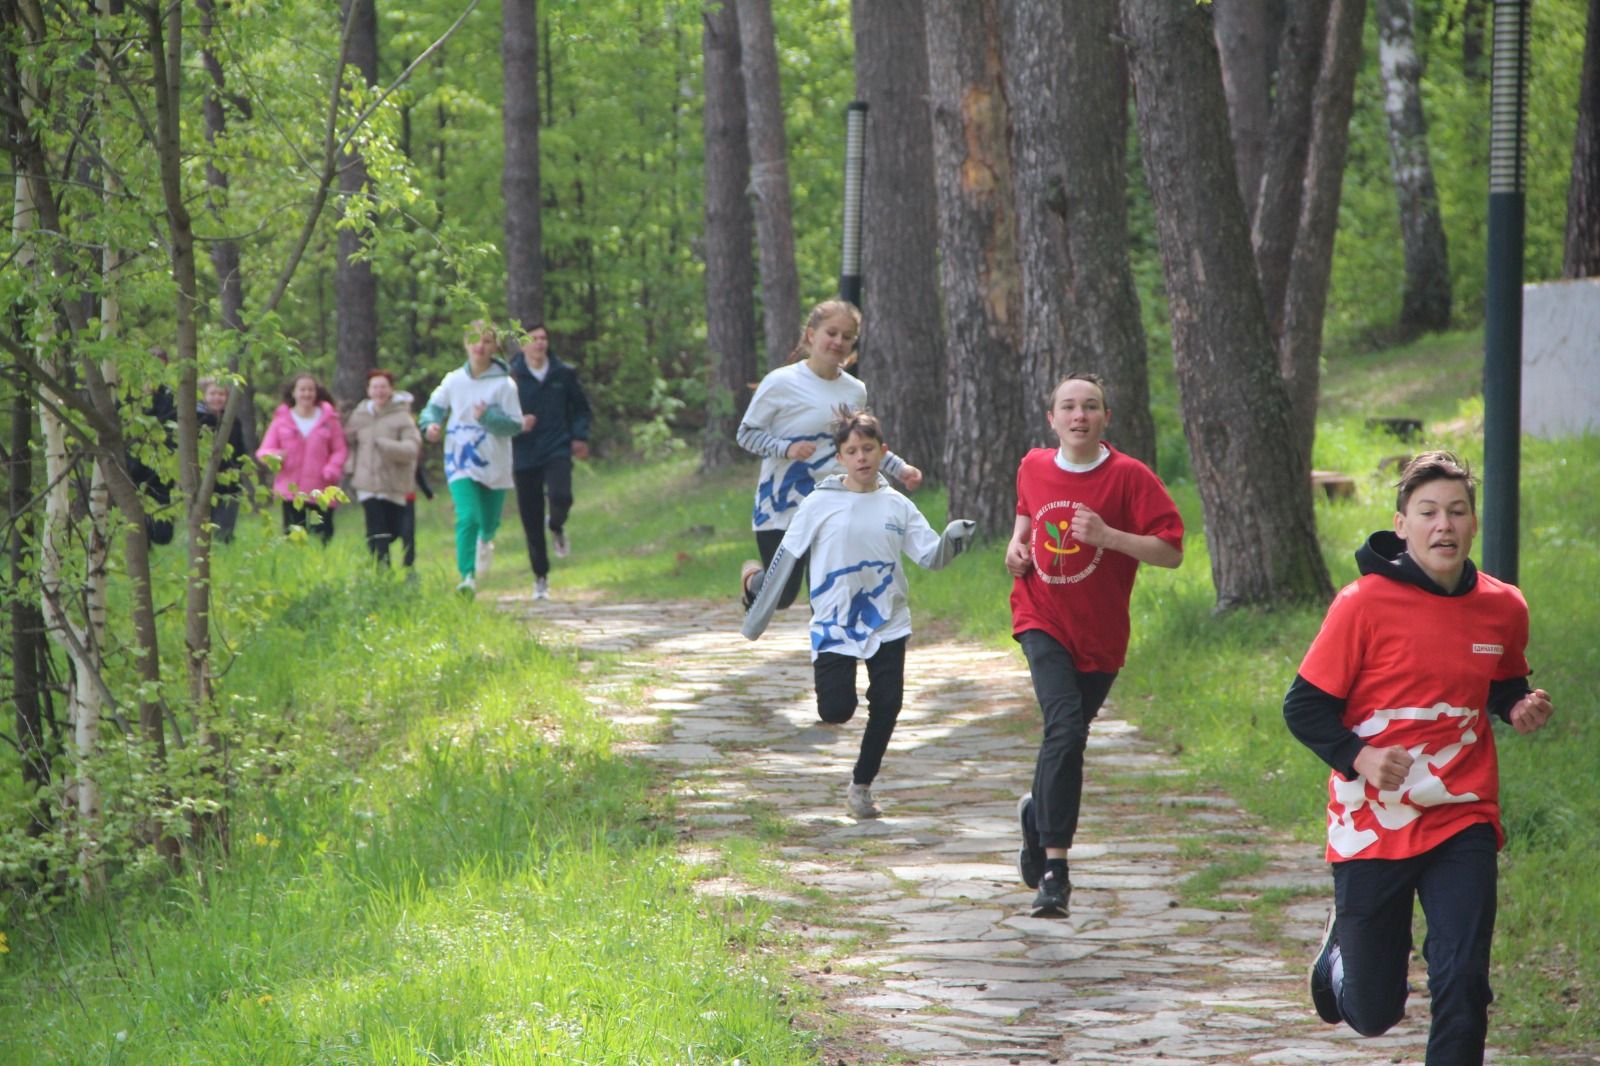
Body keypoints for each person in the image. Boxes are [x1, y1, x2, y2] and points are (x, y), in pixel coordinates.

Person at [1283, 451, 1554, 1065]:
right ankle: (1344, 955)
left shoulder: (1503, 606)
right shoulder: (1362, 604)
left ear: (1474, 524)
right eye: (1428, 512)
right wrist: (1359, 756)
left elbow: (1501, 680)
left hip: (1461, 811)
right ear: (1401, 525)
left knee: (1462, 974)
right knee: (1374, 1013)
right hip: (1372, 820)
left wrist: (1517, 706)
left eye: (1457, 512)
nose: (1444, 525)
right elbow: (1303, 708)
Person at [1007, 373, 1184, 918]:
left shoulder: (1129, 478)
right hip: (1041, 616)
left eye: (1090, 407)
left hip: (1101, 634)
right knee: (1063, 728)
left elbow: (1171, 551)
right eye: (1068, 407)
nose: (1079, 415)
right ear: (1052, 418)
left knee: (1066, 738)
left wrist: (1109, 537)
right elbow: (1024, 516)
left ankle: (1039, 813)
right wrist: (1015, 548)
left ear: (1106, 419)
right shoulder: (1034, 465)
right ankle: (1056, 872)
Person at [742, 410, 973, 819]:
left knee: (888, 703)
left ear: (883, 453)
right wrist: (757, 610)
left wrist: (954, 539)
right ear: (841, 458)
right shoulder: (819, 504)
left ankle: (861, 787)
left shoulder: (897, 506)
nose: (861, 457)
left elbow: (929, 556)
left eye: (868, 449)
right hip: (833, 621)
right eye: (852, 451)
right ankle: (749, 580)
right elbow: (787, 559)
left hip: (888, 620)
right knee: (836, 711)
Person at [736, 299, 923, 612]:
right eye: (831, 333)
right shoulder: (780, 382)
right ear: (811, 335)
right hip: (779, 503)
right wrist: (787, 448)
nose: (838, 342)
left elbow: (860, 444)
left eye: (847, 336)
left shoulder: (854, 391)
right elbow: (746, 434)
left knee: (825, 590)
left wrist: (900, 469)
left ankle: (827, 655)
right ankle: (752, 579)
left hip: (831, 501)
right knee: (780, 595)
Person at [418, 321, 535, 595]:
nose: (479, 346)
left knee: (489, 522)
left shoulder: (504, 385)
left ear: (494, 346)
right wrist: (430, 426)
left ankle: (487, 539)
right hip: (460, 458)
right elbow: (433, 408)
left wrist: (488, 418)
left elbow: (515, 425)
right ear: (465, 344)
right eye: (474, 340)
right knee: (468, 516)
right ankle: (466, 577)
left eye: (486, 341)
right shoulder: (454, 380)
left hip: (494, 461)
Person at [509, 323, 592, 600]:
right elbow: (497, 412)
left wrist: (579, 437)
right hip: (523, 451)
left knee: (561, 495)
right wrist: (515, 424)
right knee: (530, 517)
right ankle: (540, 577)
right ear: (523, 345)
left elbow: (581, 409)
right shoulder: (511, 376)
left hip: (557, 446)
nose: (540, 343)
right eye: (533, 339)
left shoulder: (563, 373)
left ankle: (556, 525)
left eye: (544, 338)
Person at [343, 369, 423, 567]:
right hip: (366, 483)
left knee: (394, 530)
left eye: (383, 387)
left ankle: (400, 566)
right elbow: (348, 443)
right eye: (375, 387)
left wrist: (386, 445)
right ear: (368, 390)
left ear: (391, 389)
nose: (379, 391)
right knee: (374, 528)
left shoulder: (402, 417)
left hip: (393, 484)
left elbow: (412, 449)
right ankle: (381, 569)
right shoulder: (359, 415)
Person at [256, 372, 348, 543]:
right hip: (291, 491)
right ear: (294, 392)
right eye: (302, 389)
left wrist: (332, 468)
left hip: (322, 489)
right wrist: (276, 456)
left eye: (310, 390)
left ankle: (321, 568)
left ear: (316, 392)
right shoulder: (281, 420)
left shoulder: (329, 419)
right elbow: (263, 451)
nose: (306, 394)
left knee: (323, 537)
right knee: (293, 538)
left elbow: (340, 450)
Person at [196, 377, 248, 544]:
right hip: (202, 481)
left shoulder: (233, 420)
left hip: (230, 484)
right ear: (203, 395)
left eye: (221, 394)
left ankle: (225, 558)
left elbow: (240, 449)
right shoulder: (196, 420)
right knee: (201, 530)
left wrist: (243, 468)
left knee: (225, 531)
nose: (217, 397)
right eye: (212, 393)